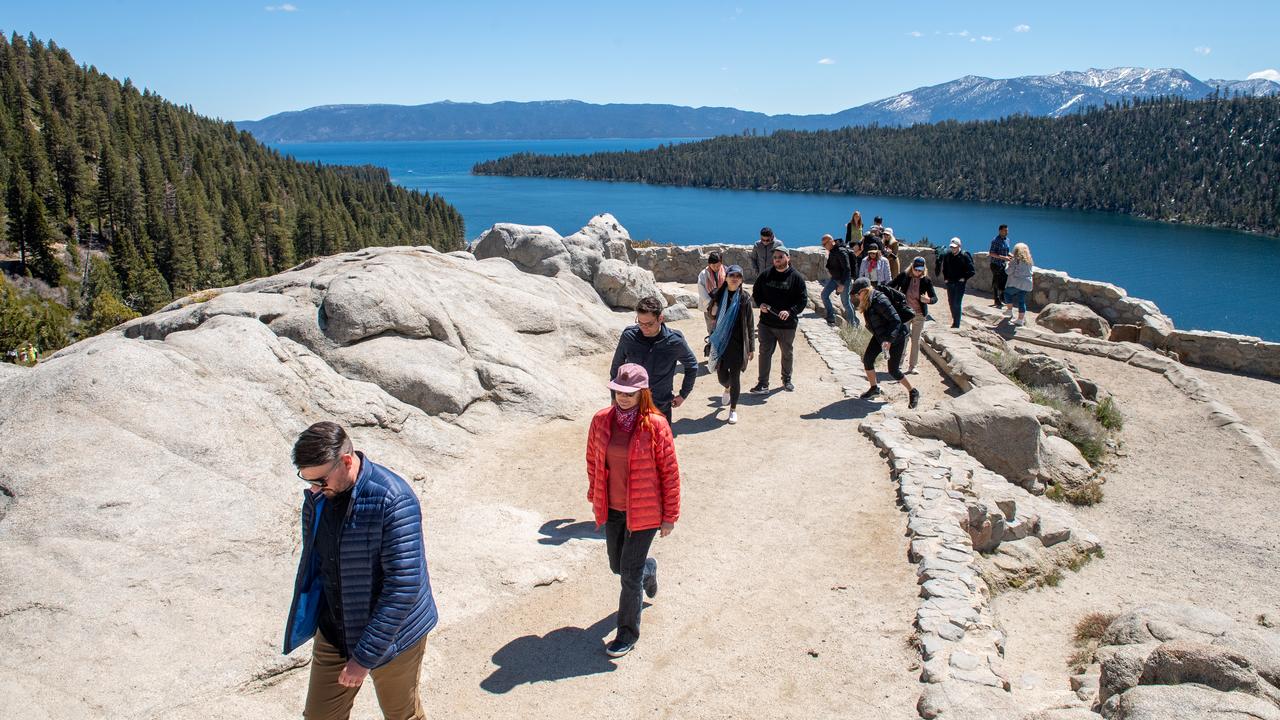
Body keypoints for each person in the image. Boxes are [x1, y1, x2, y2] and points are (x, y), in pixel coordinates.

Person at [284, 421, 438, 720]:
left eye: (321, 480)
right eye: (308, 480)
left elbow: (403, 586)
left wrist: (364, 657)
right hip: (335, 631)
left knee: (401, 715)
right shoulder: (319, 498)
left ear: (346, 461)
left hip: (394, 637)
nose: (315, 488)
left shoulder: (393, 498)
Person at [586, 363, 681, 658]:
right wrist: (595, 495)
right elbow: (593, 460)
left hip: (645, 512)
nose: (623, 397)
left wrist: (669, 516)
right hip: (614, 508)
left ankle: (626, 633)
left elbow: (670, 472)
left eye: (630, 393)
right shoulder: (601, 420)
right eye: (618, 391)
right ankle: (648, 570)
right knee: (618, 566)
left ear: (643, 393)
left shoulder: (656, 425)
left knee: (628, 573)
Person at [610, 296, 698, 428]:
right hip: (632, 404)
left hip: (660, 406)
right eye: (640, 323)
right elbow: (616, 367)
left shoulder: (674, 341)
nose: (644, 327)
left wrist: (683, 394)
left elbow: (692, 366)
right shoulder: (629, 337)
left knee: (660, 446)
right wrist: (614, 397)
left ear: (660, 318)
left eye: (649, 324)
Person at [852, 278, 921, 409]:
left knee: (893, 370)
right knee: (867, 359)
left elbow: (896, 321)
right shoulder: (868, 300)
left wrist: (889, 340)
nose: (856, 296)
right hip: (880, 336)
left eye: (857, 293)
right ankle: (874, 388)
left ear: (864, 290)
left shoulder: (880, 300)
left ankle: (913, 391)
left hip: (897, 337)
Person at [751, 247, 808, 394]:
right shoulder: (765, 275)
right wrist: (761, 304)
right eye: (775, 257)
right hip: (766, 324)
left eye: (780, 257)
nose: (777, 259)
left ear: (788, 258)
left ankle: (786, 380)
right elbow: (756, 293)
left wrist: (790, 311)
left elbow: (802, 300)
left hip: (786, 326)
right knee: (764, 353)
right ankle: (763, 384)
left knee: (787, 353)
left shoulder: (796, 278)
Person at [707, 265, 756, 424]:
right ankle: (726, 387)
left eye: (738, 276)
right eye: (732, 275)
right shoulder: (718, 294)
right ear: (726, 277)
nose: (735, 278)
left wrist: (751, 347)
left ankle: (733, 409)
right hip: (721, 343)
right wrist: (712, 310)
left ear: (741, 280)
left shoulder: (744, 298)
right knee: (722, 377)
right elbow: (710, 313)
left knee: (735, 377)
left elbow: (750, 323)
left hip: (738, 344)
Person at [890, 257, 938, 373]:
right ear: (912, 267)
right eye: (916, 269)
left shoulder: (926, 280)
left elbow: (935, 298)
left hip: (919, 314)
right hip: (905, 313)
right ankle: (898, 365)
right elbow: (890, 285)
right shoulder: (904, 276)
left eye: (920, 270)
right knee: (903, 339)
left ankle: (912, 366)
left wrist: (928, 300)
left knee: (915, 340)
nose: (917, 272)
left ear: (924, 269)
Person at [935, 237, 976, 328]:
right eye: (952, 247)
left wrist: (964, 278)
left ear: (959, 246)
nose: (953, 249)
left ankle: (956, 324)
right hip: (950, 283)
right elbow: (945, 268)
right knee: (951, 302)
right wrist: (945, 278)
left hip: (959, 284)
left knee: (957, 303)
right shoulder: (948, 255)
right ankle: (955, 318)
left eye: (955, 247)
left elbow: (972, 271)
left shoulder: (965, 255)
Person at [820, 233, 855, 327]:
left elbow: (847, 269)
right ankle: (831, 317)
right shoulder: (832, 250)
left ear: (831, 241)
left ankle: (853, 325)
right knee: (824, 295)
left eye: (824, 244)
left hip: (844, 281)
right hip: (834, 279)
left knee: (846, 303)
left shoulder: (841, 251)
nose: (824, 247)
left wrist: (842, 284)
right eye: (822, 245)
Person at [1002, 242, 1035, 327]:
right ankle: (1020, 320)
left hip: (1018, 283)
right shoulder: (1029, 260)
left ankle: (1009, 310)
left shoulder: (1015, 260)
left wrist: (1006, 264)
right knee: (1021, 301)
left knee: (1007, 293)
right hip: (1027, 283)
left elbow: (1008, 271)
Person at [696, 252, 727, 336]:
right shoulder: (703, 274)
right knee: (711, 328)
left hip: (723, 304)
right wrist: (712, 305)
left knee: (724, 328)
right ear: (709, 264)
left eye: (718, 265)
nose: (716, 268)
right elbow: (702, 291)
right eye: (714, 266)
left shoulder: (726, 271)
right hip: (709, 306)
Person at [989, 224, 1012, 308]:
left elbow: (1006, 251)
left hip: (1003, 264)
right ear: (1000, 231)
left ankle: (1002, 296)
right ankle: (996, 298)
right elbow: (991, 253)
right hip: (995, 264)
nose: (1007, 232)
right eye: (1005, 230)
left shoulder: (1007, 240)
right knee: (996, 281)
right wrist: (1003, 257)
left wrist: (1012, 256)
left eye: (1007, 230)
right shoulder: (995, 240)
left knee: (1005, 280)